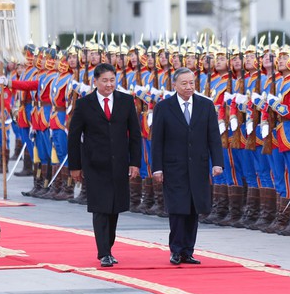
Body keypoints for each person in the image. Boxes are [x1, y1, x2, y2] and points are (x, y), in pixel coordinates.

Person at [67, 63, 142, 268]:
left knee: (114, 208)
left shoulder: (126, 101)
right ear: (95, 81)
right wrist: (75, 166)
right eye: (104, 81)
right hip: (94, 164)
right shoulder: (84, 104)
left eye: (112, 80)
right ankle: (104, 252)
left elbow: (135, 135)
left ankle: (108, 247)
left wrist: (135, 162)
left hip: (119, 164)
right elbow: (74, 137)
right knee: (100, 208)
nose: (109, 85)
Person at [151, 67, 224, 265]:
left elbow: (214, 138)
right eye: (184, 83)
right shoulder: (164, 107)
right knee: (177, 209)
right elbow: (156, 140)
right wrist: (156, 168)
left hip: (198, 166)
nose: (189, 87)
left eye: (191, 83)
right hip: (174, 166)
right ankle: (176, 249)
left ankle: (188, 251)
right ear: (174, 85)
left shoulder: (205, 105)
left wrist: (217, 162)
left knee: (193, 209)